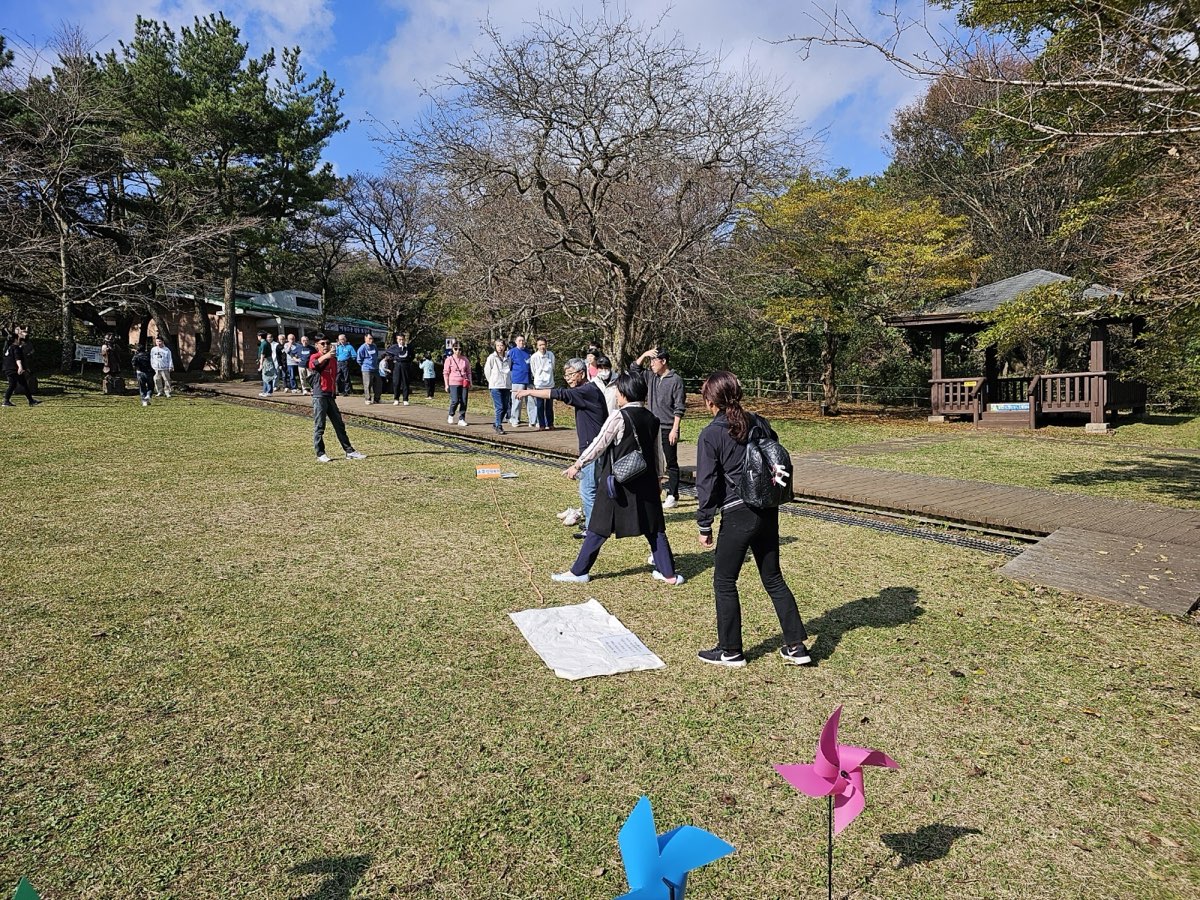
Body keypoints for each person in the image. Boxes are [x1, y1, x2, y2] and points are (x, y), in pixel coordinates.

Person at [693, 371, 810, 668]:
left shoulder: (711, 434)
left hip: (737, 512)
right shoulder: (760, 422)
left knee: (724, 580)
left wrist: (704, 523)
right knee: (773, 578)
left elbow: (706, 482)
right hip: (768, 510)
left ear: (710, 401)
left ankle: (730, 650)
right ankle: (796, 646)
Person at [551, 371, 683, 585]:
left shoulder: (619, 416)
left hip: (618, 482)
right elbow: (658, 453)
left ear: (625, 393)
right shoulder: (653, 418)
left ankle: (579, 572)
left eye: (618, 391)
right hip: (647, 481)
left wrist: (578, 464)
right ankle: (668, 574)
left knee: (598, 527)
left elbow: (598, 444)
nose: (617, 395)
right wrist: (659, 478)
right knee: (655, 528)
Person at [516, 357, 609, 538]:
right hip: (595, 448)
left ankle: (592, 530)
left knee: (587, 489)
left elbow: (558, 394)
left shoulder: (586, 390)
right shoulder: (588, 390)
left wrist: (529, 392)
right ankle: (601, 523)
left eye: (571, 374)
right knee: (594, 488)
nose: (568, 378)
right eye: (565, 375)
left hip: (592, 449)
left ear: (581, 374)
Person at [632, 347, 686, 509]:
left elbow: (679, 406)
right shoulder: (651, 377)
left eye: (654, 361)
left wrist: (675, 429)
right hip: (652, 425)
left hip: (668, 426)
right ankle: (654, 489)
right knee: (650, 459)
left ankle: (673, 495)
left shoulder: (675, 380)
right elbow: (634, 369)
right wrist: (644, 355)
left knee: (671, 462)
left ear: (663, 361)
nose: (651, 365)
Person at [307, 334, 367, 463]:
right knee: (320, 426)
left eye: (327, 343)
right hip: (319, 396)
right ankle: (320, 453)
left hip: (330, 396)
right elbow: (312, 365)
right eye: (322, 343)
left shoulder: (334, 360)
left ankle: (349, 451)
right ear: (317, 345)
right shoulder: (316, 356)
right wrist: (326, 356)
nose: (325, 346)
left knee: (339, 425)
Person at [3, 328, 39, 407]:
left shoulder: (9, 347)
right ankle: (30, 401)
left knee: (17, 384)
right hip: (13, 369)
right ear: (16, 339)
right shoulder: (16, 348)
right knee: (18, 384)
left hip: (8, 368)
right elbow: (17, 358)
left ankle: (30, 400)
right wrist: (20, 367)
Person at [484, 338, 512, 435]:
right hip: (495, 385)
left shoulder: (508, 357)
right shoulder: (492, 357)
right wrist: (491, 381)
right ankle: (499, 425)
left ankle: (496, 423)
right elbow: (487, 370)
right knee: (499, 406)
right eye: (498, 346)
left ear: (505, 346)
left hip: (506, 385)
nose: (500, 348)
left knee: (505, 407)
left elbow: (509, 370)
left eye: (502, 345)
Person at [528, 337, 556, 429]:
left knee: (549, 406)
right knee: (540, 405)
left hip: (550, 383)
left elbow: (553, 367)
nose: (542, 347)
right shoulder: (534, 357)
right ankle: (542, 424)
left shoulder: (550, 354)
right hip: (539, 384)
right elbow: (533, 370)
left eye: (543, 345)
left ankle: (550, 423)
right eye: (540, 345)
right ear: (537, 346)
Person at [507, 335, 533, 426]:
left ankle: (533, 421)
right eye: (519, 340)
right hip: (518, 379)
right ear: (516, 342)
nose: (521, 342)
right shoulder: (512, 352)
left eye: (523, 340)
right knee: (517, 401)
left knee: (531, 401)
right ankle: (514, 419)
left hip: (528, 379)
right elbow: (509, 366)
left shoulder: (528, 352)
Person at [443, 342, 471, 426]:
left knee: (464, 401)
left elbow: (469, 371)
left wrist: (470, 381)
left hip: (464, 382)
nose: (458, 351)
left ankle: (462, 418)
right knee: (455, 400)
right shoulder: (449, 359)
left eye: (460, 349)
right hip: (453, 382)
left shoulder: (465, 359)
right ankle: (451, 414)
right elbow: (446, 373)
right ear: (453, 349)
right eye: (456, 349)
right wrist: (446, 384)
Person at [386, 332, 412, 405]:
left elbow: (412, 356)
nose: (401, 341)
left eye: (403, 339)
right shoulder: (394, 347)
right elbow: (388, 353)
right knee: (396, 382)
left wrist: (408, 362)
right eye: (400, 339)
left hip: (405, 365)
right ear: (397, 340)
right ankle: (396, 398)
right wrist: (393, 360)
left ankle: (405, 399)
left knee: (405, 382)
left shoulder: (408, 347)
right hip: (397, 365)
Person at [357, 334, 381, 404]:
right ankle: (367, 399)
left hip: (375, 368)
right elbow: (359, 359)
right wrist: (365, 365)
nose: (371, 340)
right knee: (367, 384)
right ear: (365, 339)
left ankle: (377, 399)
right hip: (366, 369)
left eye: (372, 338)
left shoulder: (374, 346)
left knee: (378, 384)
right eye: (369, 338)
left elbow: (376, 355)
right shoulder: (362, 348)